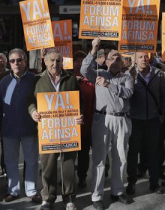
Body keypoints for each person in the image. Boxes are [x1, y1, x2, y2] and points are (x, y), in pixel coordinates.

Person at [81, 38, 134, 210]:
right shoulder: (98, 73)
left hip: (122, 119)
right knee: (99, 158)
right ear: (106, 60)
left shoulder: (127, 77)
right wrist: (93, 49)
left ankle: (117, 191)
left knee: (121, 157)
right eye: (112, 58)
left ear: (123, 62)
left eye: (119, 58)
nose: (115, 61)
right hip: (102, 119)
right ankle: (96, 195)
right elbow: (83, 70)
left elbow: (127, 93)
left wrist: (109, 85)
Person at [28, 48, 83, 210]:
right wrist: (33, 112)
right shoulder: (37, 80)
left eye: (58, 60)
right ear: (45, 61)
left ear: (62, 62)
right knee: (48, 165)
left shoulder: (71, 79)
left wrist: (80, 116)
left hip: (68, 129)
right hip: (48, 129)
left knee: (68, 164)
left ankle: (69, 197)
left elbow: (78, 102)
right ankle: (48, 197)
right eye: (52, 60)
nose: (55, 64)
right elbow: (30, 101)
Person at [0, 48, 41, 203]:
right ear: (9, 63)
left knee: (31, 160)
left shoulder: (34, 79)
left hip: (29, 128)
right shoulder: (4, 81)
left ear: (25, 61)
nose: (16, 63)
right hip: (8, 129)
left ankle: (32, 190)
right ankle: (13, 190)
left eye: (19, 60)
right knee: (10, 161)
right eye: (12, 60)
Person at [126, 51, 165, 195]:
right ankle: (131, 183)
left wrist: (163, 113)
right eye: (140, 57)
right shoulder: (129, 75)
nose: (144, 59)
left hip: (153, 120)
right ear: (135, 60)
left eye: (146, 56)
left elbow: (164, 95)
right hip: (135, 120)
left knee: (153, 153)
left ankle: (154, 183)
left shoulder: (158, 74)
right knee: (133, 153)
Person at [72, 51, 95, 189]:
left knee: (84, 153)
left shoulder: (91, 82)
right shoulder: (66, 79)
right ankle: (67, 177)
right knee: (68, 155)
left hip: (87, 123)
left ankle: (82, 177)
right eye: (77, 61)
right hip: (69, 125)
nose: (79, 64)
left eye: (83, 61)